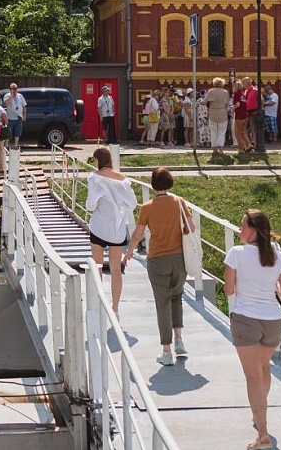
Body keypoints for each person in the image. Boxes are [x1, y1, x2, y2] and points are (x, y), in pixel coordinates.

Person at [226, 209, 281, 450]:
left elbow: (229, 290)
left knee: (253, 376)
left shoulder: (236, 253)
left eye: (243, 225)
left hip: (246, 320)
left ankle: (262, 433)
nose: (240, 230)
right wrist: (272, 287)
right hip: (273, 321)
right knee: (263, 368)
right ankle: (259, 414)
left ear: (253, 230)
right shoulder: (277, 256)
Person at [130, 167, 194, 366]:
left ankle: (166, 351)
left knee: (162, 303)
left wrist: (129, 252)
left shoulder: (147, 207)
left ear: (153, 184)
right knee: (177, 298)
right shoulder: (179, 202)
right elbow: (191, 227)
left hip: (158, 259)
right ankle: (179, 340)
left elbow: (138, 234)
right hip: (179, 258)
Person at [84, 147, 137, 315]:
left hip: (99, 227)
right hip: (117, 230)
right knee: (116, 270)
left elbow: (90, 205)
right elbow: (132, 204)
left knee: (97, 267)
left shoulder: (94, 178)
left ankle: (98, 303)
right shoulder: (123, 180)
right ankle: (115, 307)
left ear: (97, 160)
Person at [203, 77, 230, 156]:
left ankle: (214, 149)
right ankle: (220, 148)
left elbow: (204, 102)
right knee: (222, 132)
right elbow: (227, 103)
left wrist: (210, 106)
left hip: (213, 113)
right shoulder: (225, 92)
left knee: (213, 131)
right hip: (222, 113)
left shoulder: (211, 91)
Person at [232, 78, 254, 154]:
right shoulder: (243, 94)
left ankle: (243, 148)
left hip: (239, 115)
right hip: (245, 115)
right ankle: (249, 145)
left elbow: (237, 104)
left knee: (237, 133)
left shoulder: (236, 93)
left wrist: (232, 107)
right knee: (243, 132)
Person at [3, 84, 27, 149]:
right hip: (10, 118)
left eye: (15, 88)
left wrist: (24, 115)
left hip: (18, 117)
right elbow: (6, 104)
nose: (14, 90)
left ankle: (16, 145)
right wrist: (11, 96)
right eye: (13, 89)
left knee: (17, 132)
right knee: (8, 133)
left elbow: (24, 106)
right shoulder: (7, 96)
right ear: (10, 89)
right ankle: (6, 146)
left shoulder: (20, 96)